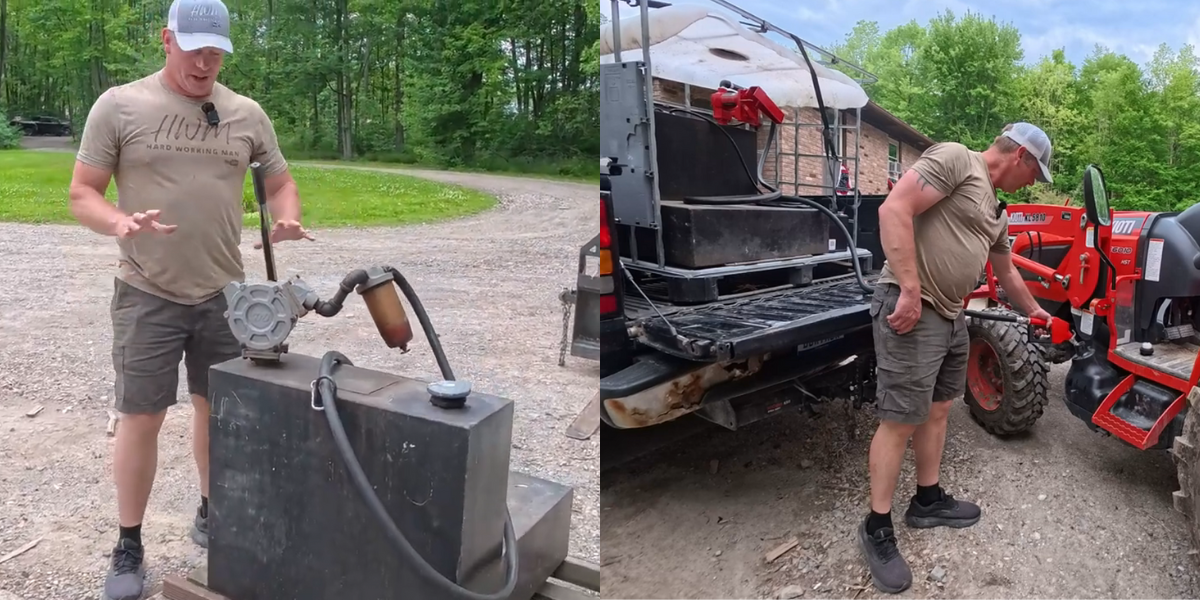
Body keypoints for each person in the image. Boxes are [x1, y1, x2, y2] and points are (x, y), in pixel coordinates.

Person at [68, 0, 313, 598]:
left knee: (218, 411)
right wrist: (120, 222)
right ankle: (129, 545)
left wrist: (287, 217)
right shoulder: (121, 105)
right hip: (146, 290)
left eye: (216, 51)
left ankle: (212, 509)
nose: (205, 61)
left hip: (225, 295)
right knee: (142, 416)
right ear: (166, 39)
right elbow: (82, 193)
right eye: (194, 47)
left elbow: (279, 180)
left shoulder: (245, 113)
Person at [858, 122, 1054, 593]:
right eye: (1035, 173)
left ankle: (926, 500)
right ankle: (876, 526)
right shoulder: (956, 160)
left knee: (940, 409)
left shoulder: (995, 208)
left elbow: (1004, 268)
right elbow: (894, 209)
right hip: (913, 307)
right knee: (900, 418)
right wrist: (907, 288)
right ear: (1021, 156)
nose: (1032, 184)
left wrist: (1034, 311)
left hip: (951, 316)